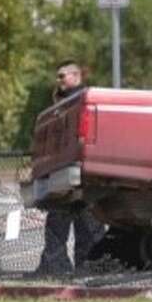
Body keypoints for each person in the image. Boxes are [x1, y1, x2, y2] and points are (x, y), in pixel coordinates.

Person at [36, 60, 106, 274]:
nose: (58, 81)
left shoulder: (83, 101)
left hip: (81, 170)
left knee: (87, 221)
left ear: (76, 76)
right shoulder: (61, 103)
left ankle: (87, 266)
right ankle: (57, 265)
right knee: (59, 218)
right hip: (62, 169)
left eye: (62, 76)